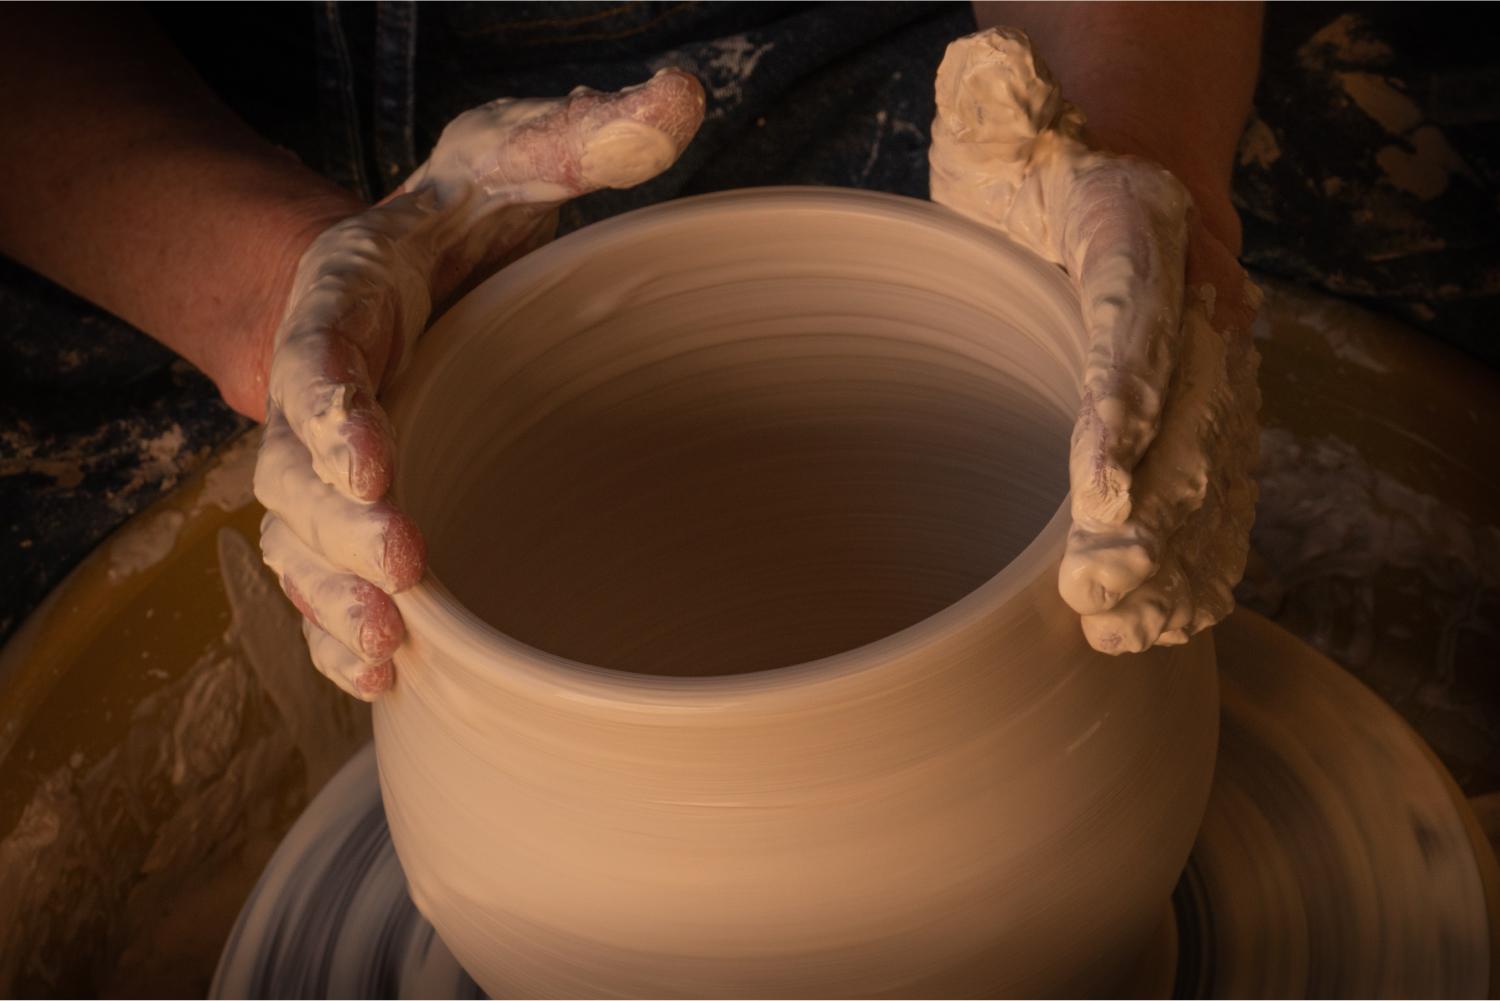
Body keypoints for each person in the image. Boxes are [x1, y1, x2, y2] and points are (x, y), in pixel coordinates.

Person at [0, 3, 1263, 697]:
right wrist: (271, 282)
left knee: (1164, 394)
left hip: (876, 42)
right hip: (130, 133)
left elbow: (1103, 138)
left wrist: (1121, 138)